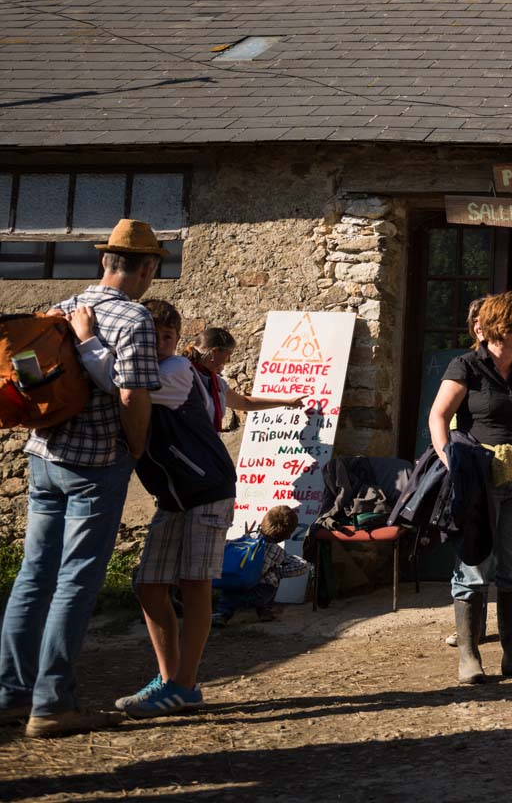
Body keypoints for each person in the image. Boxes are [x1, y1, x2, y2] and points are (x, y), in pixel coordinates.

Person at [0, 220, 163, 738]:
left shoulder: (62, 307)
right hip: (96, 463)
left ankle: (10, 695)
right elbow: (134, 397)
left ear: (104, 261)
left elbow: (27, 371)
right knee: (75, 580)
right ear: (148, 268)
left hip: (44, 454)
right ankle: (52, 704)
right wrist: (136, 448)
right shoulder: (135, 320)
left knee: (33, 575)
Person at [73, 299, 234, 718]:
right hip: (173, 495)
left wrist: (88, 340)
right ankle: (169, 680)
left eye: (167, 337)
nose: (159, 344)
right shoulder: (152, 366)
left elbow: (124, 386)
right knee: (148, 585)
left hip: (206, 488)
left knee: (195, 583)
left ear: (178, 342)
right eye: (152, 336)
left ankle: (185, 685)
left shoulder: (176, 372)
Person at [429, 292, 512, 685]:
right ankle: (469, 657)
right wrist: (448, 457)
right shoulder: (466, 366)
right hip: (477, 476)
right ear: (504, 329)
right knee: (472, 566)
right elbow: (439, 415)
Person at [184, 327, 307, 431]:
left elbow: (244, 403)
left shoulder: (216, 383)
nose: (229, 361)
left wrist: (287, 402)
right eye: (228, 355)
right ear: (214, 352)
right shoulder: (183, 375)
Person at [213, 505, 309, 625]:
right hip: (258, 595)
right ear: (288, 535)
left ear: (263, 523)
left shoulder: (244, 539)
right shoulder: (276, 551)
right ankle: (264, 611)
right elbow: (302, 565)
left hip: (232, 589)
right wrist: (276, 572)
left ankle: (222, 614)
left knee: (229, 595)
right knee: (272, 577)